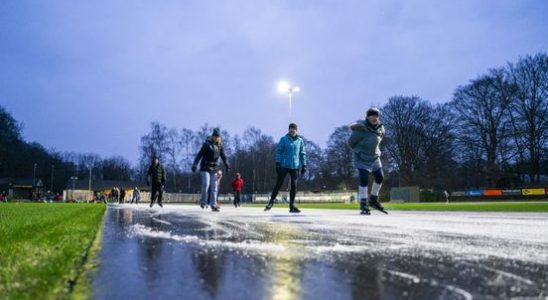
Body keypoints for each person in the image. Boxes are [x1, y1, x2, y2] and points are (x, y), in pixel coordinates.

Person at [348, 107, 388, 215]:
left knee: (380, 177)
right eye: (372, 115)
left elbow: (379, 139)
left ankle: (373, 200)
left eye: (376, 115)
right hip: (361, 158)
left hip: (374, 157)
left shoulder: (381, 127)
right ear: (367, 117)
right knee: (364, 179)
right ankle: (363, 203)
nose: (374, 118)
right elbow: (350, 143)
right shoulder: (360, 128)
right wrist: (360, 151)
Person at [265, 123, 307, 213]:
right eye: (291, 129)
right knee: (279, 183)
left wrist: (304, 164)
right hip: (284, 165)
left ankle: (292, 206)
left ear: (296, 130)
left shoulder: (300, 141)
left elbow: (302, 153)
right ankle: (271, 202)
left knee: (294, 185)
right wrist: (277, 163)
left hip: (295, 166)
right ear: (288, 130)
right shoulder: (284, 139)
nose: (292, 130)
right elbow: (278, 151)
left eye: (294, 129)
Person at [192, 128, 230, 212]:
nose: (217, 138)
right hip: (205, 167)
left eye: (218, 136)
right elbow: (199, 155)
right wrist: (195, 164)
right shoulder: (207, 144)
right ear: (212, 136)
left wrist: (227, 166)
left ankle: (213, 204)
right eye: (215, 136)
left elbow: (224, 157)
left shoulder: (220, 146)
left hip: (214, 169)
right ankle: (203, 202)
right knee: (206, 184)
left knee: (214, 187)